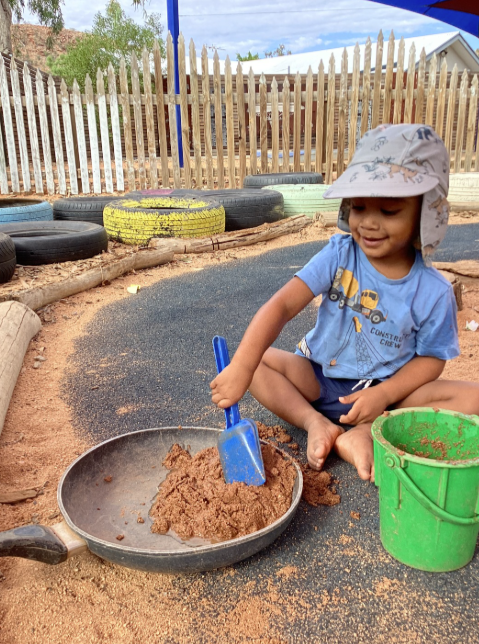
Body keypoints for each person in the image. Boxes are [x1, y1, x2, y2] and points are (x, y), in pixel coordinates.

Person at [210, 123, 479, 482]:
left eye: (389, 211)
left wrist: (383, 395)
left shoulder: (433, 291)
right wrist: (242, 367)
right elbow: (282, 306)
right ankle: (316, 423)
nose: (368, 222)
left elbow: (431, 361)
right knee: (255, 361)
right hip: (319, 380)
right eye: (359, 206)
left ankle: (366, 432)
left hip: (388, 393)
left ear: (425, 213)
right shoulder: (340, 254)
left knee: (472, 398)